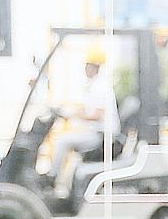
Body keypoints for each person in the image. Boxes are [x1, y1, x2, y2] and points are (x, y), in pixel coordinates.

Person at [50, 48, 120, 182]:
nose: (85, 69)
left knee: (62, 141)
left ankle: (51, 178)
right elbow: (86, 110)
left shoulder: (100, 87)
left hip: (102, 136)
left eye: (87, 66)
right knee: (65, 138)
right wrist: (68, 111)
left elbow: (96, 115)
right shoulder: (94, 85)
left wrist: (71, 115)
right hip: (97, 132)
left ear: (94, 68)